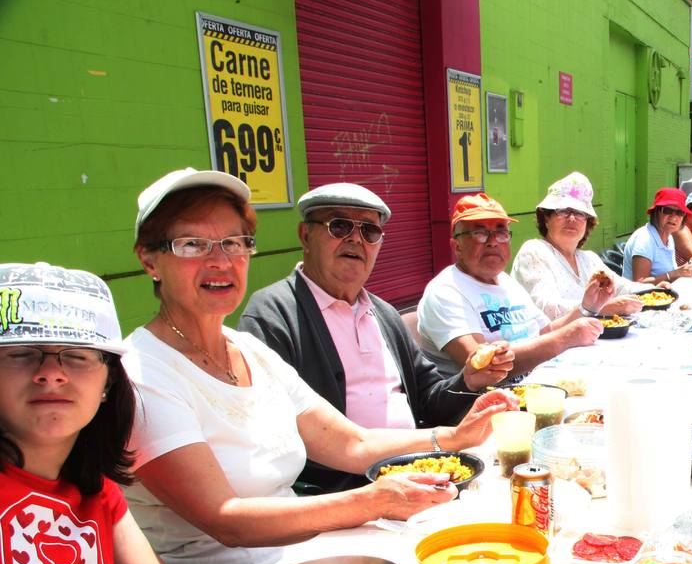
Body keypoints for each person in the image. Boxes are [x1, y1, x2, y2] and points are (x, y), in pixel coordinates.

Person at [125, 168, 514, 564]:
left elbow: (352, 443)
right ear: (149, 260)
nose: (220, 260)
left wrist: (452, 438)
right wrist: (370, 502)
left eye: (234, 243)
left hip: (304, 561)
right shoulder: (143, 372)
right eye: (192, 244)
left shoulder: (249, 350)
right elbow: (226, 520)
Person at [0, 262, 194, 564]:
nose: (51, 371)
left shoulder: (99, 494)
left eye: (78, 355)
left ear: (108, 381)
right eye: (22, 354)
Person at [239, 182, 513, 493]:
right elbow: (273, 436)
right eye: (339, 226)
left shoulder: (383, 314)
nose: (355, 238)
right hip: (338, 492)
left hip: (422, 472)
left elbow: (429, 401)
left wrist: (469, 380)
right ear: (305, 235)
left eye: (369, 231)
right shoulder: (273, 314)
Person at [418, 193, 606, 378]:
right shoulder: (446, 292)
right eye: (479, 233)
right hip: (489, 402)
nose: (492, 242)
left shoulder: (506, 282)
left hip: (542, 383)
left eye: (501, 233)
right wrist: (566, 337)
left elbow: (546, 332)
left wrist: (587, 307)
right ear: (456, 246)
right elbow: (483, 368)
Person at [509, 172, 645, 320]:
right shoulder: (534, 252)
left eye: (580, 213)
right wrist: (606, 307)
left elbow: (622, 287)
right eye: (563, 211)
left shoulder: (588, 259)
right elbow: (546, 309)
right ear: (546, 218)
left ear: (587, 223)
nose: (572, 218)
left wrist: (654, 289)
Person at [621, 188, 692, 284]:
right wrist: (676, 273)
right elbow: (639, 282)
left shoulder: (669, 237)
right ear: (656, 212)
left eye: (679, 213)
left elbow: (669, 272)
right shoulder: (645, 239)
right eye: (668, 210)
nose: (673, 217)